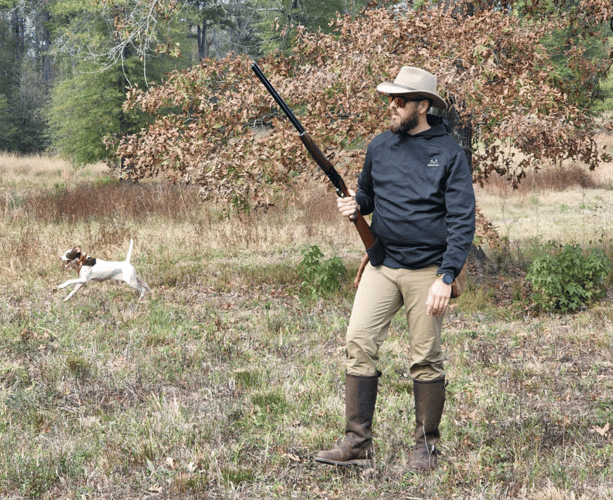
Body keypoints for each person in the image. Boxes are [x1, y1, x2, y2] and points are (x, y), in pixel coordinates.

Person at [313, 66, 476, 472]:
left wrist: (447, 275)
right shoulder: (380, 146)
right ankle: (356, 444)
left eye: (400, 100)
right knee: (358, 340)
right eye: (391, 98)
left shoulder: (450, 153)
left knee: (426, 358)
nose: (392, 105)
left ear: (422, 106)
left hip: (428, 271)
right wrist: (354, 204)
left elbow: (462, 221)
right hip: (382, 263)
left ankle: (425, 448)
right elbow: (368, 194)